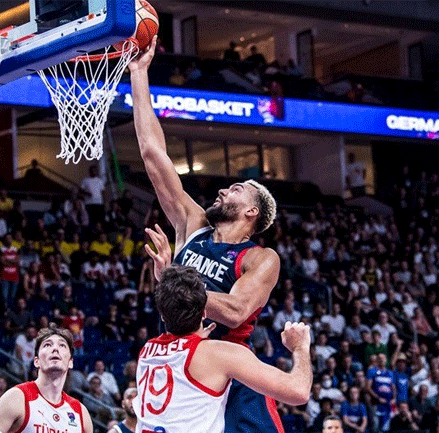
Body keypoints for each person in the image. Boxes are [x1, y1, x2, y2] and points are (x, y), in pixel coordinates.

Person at [132, 36, 284, 433]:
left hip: (228, 369)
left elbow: (235, 311)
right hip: (180, 362)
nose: (223, 190)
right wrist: (139, 73)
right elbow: (153, 154)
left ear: (252, 212)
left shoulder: (259, 258)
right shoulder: (193, 224)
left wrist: (172, 280)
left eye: (236, 189)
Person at [133, 265, 311, 433]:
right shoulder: (219, 355)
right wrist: (300, 347)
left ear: (162, 316)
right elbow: (299, 392)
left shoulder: (146, 352)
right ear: (205, 312)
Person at [0, 324, 93, 433]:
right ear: (36, 361)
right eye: (47, 345)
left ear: (70, 362)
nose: (55, 348)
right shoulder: (17, 397)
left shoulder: (81, 413)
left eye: (62, 345)